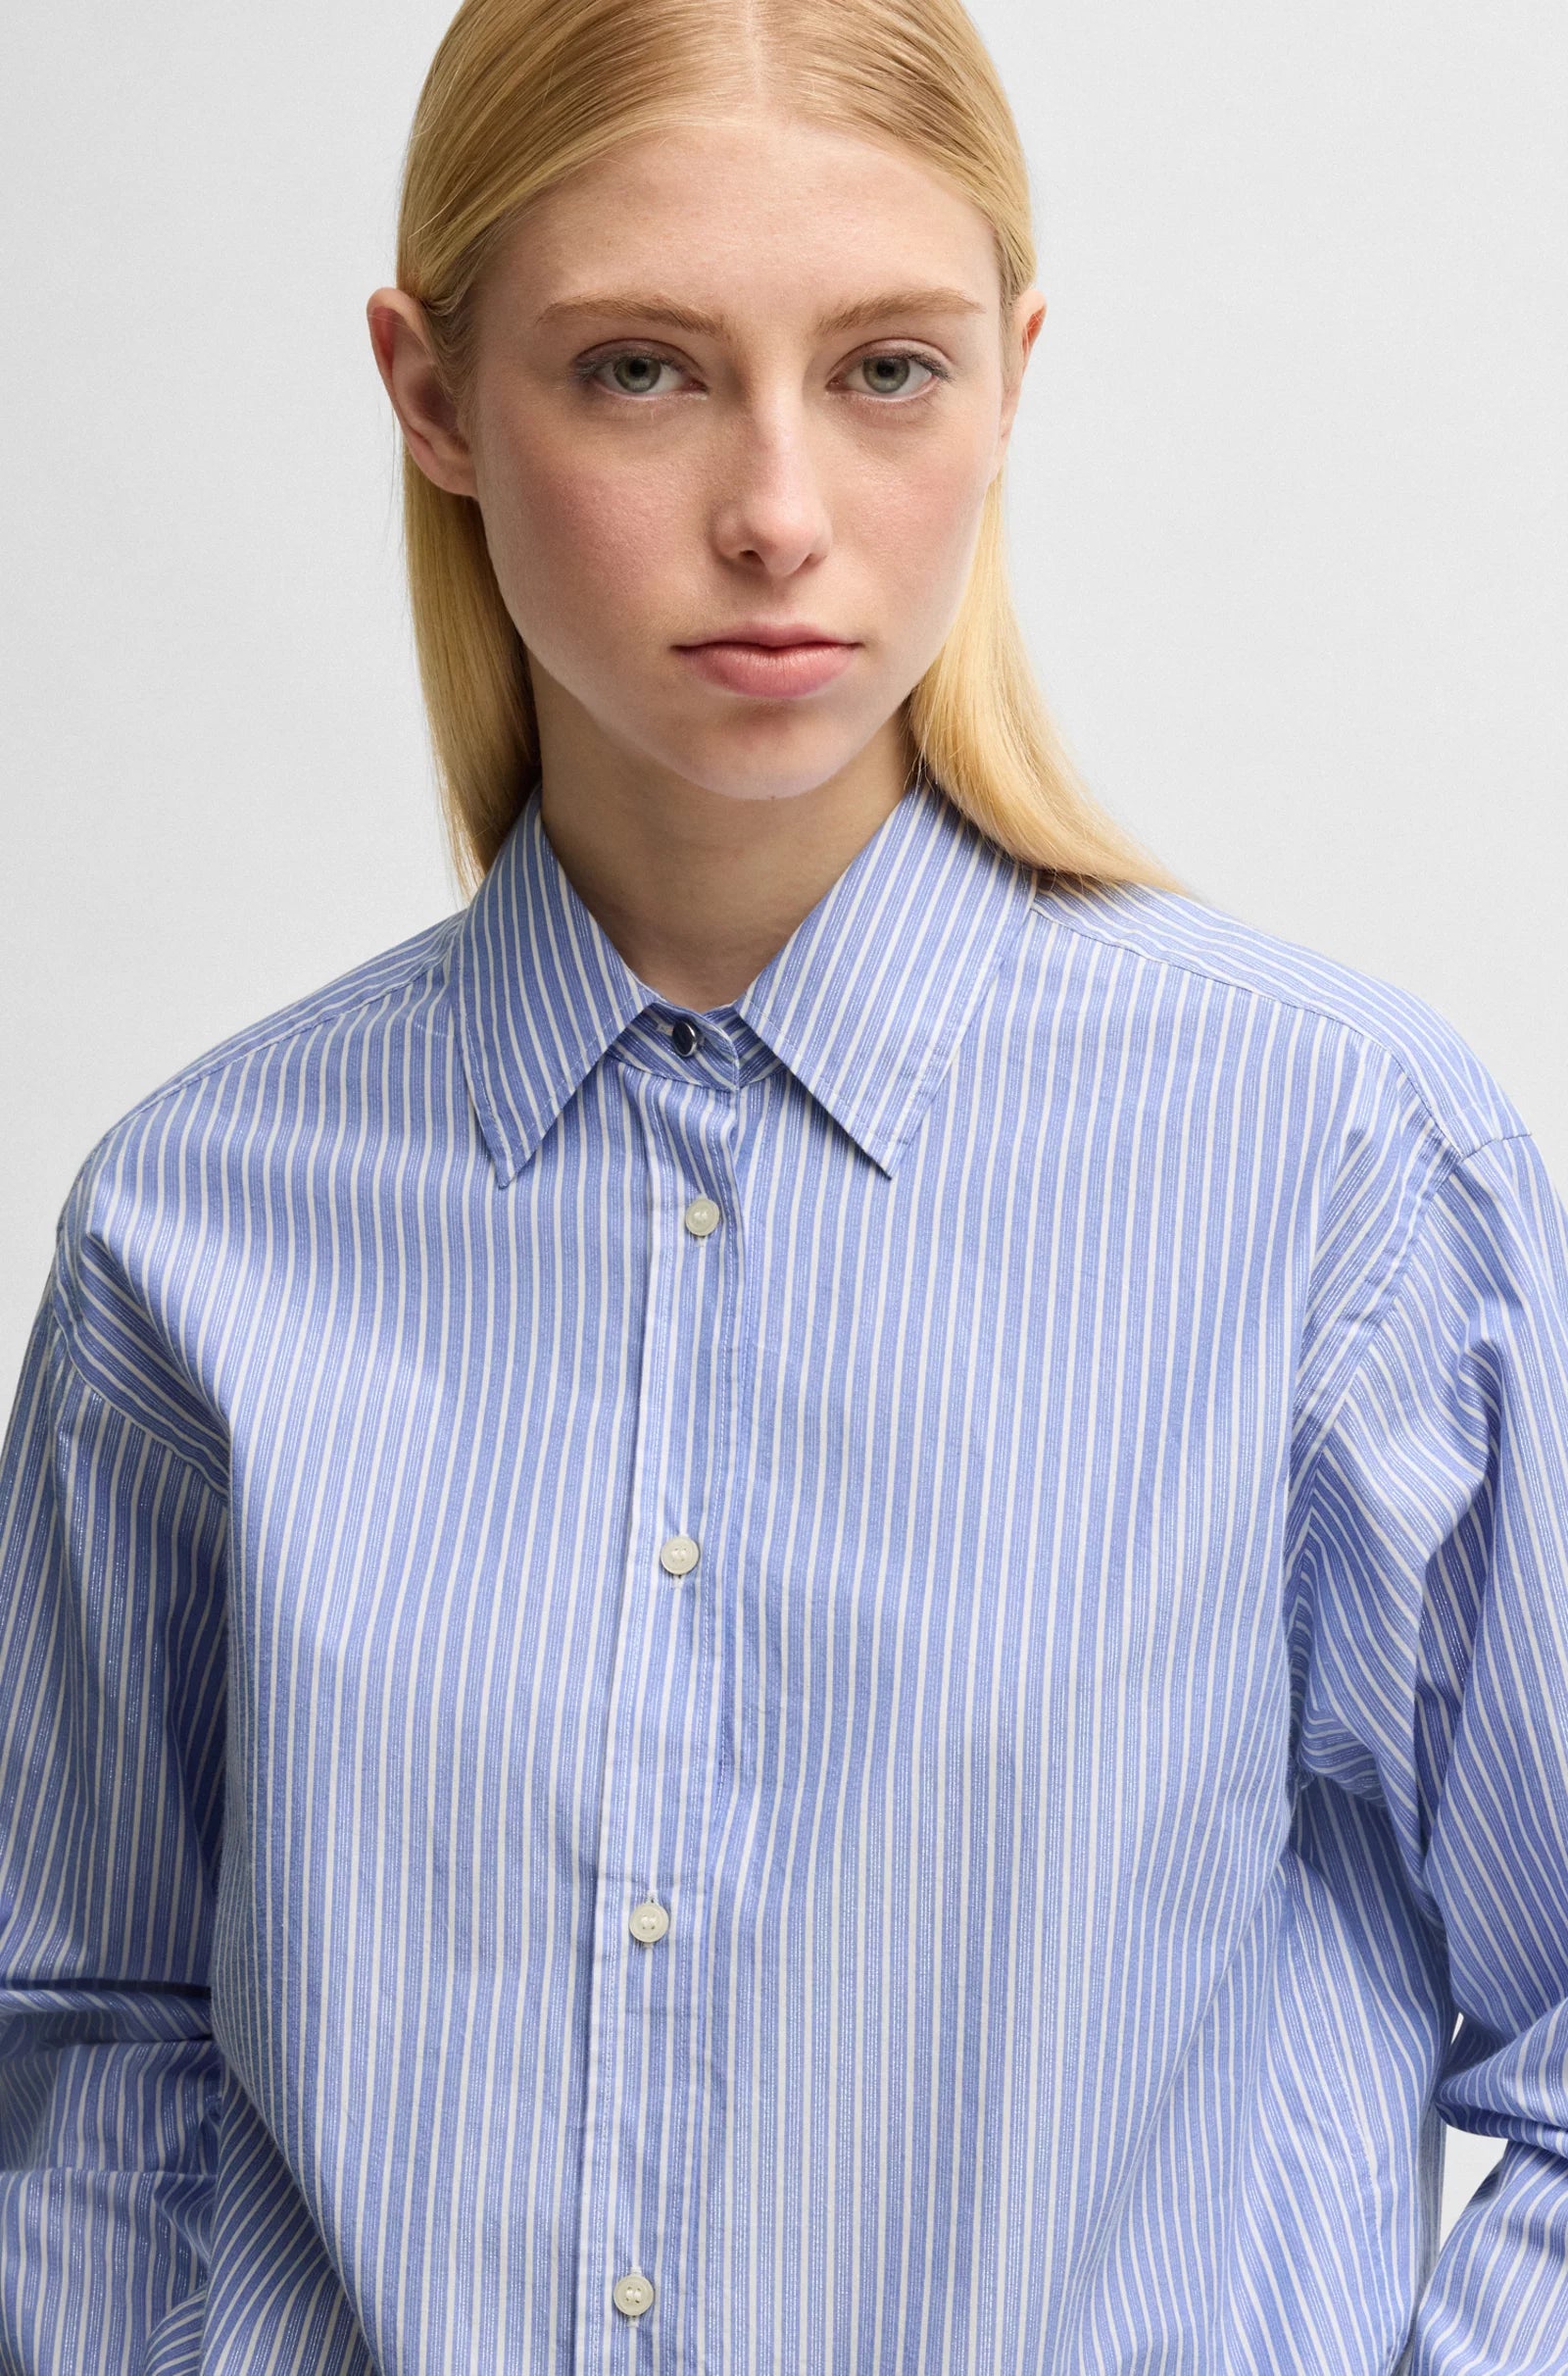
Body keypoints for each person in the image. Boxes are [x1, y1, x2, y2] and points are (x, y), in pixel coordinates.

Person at [2, 0, 1565, 2368]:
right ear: (429, 393)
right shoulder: (195, 1232)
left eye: (886, 370)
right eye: (637, 369)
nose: (775, 509)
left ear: (1012, 377)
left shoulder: (1330, 1175)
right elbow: (83, 2061)